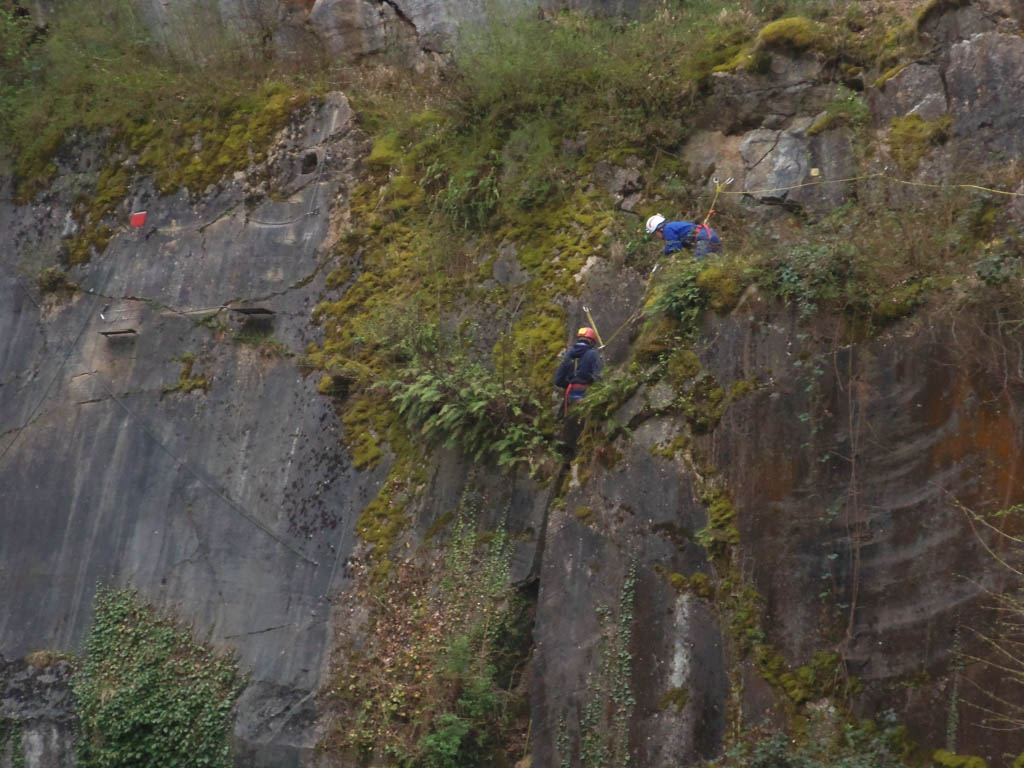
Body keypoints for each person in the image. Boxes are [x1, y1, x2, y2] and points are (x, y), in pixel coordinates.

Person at [553, 326, 603, 415]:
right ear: (591, 341)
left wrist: (571, 383)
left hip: (570, 395)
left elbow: (558, 380)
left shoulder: (568, 355)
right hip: (587, 394)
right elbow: (599, 377)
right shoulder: (593, 354)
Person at [645, 213, 722, 258]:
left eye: (654, 234)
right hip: (709, 234)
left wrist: (666, 251)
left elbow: (675, 246)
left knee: (698, 265)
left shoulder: (667, 230)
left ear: (659, 229)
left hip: (704, 238)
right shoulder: (671, 227)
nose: (656, 237)